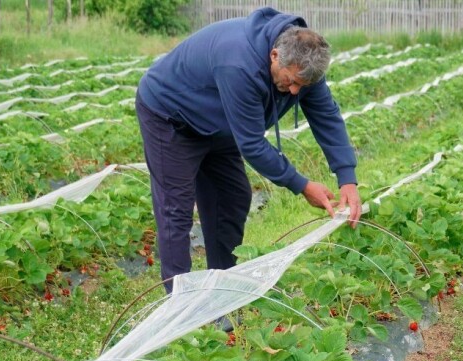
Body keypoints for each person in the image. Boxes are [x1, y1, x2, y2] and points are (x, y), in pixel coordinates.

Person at [135, 7, 361, 293]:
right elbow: (252, 145)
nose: (294, 91)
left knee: (232, 197)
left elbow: (326, 115)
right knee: (176, 209)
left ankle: (221, 291)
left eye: (301, 86)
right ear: (274, 55)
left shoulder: (305, 67)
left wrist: (347, 178)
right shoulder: (239, 63)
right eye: (291, 81)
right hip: (172, 116)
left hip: (218, 121)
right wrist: (302, 185)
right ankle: (180, 302)